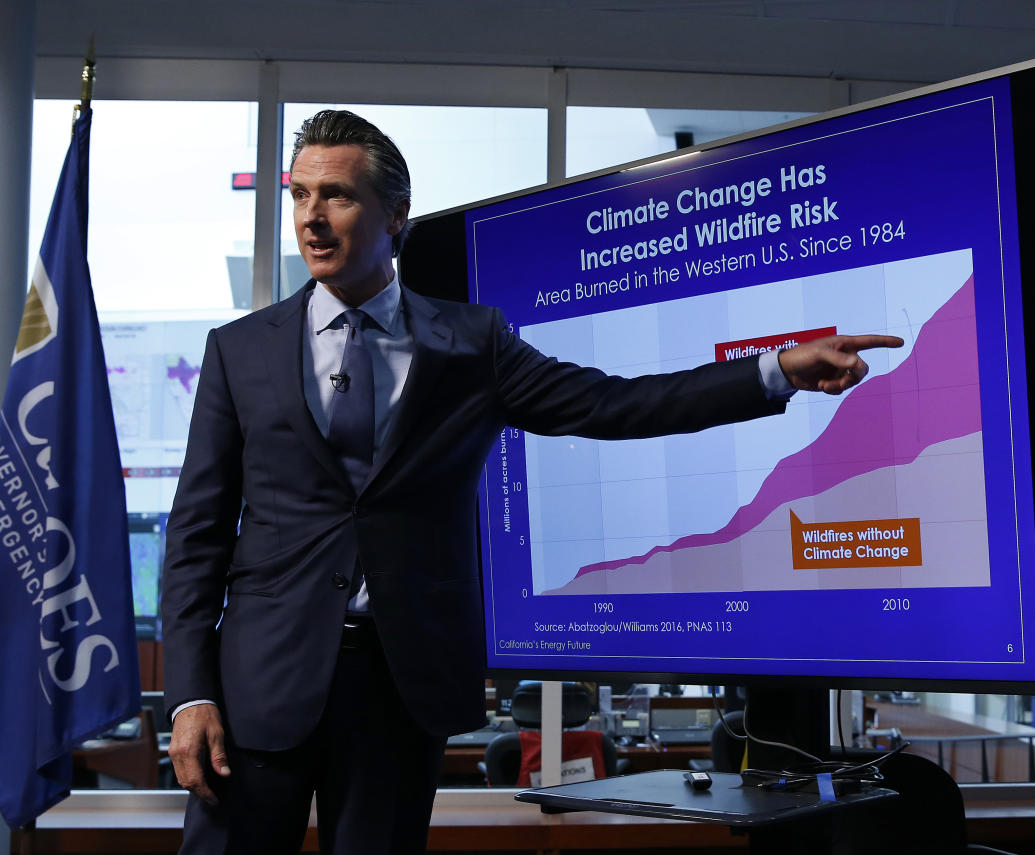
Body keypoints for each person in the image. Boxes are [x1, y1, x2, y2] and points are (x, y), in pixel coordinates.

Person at [161, 109, 902, 855]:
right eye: (300, 195)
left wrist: (773, 370)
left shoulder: (471, 345)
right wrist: (190, 693)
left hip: (400, 687)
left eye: (337, 196)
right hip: (258, 688)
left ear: (395, 215)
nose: (312, 218)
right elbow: (196, 536)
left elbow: (617, 403)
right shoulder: (237, 352)